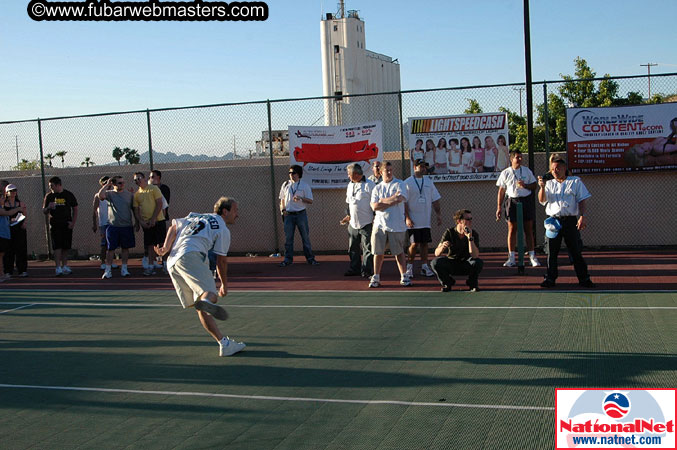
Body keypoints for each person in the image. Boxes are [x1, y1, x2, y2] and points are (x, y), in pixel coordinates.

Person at [154, 197, 245, 357]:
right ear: (225, 211)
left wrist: (165, 248)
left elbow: (174, 227)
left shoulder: (196, 216)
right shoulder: (223, 229)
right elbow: (221, 261)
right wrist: (224, 284)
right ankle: (206, 302)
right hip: (191, 256)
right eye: (235, 211)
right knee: (210, 297)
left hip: (173, 262)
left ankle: (224, 344)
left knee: (201, 305)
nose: (237, 215)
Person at [538, 155, 595, 289]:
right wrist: (541, 187)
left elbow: (582, 200)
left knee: (575, 251)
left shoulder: (575, 182)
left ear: (564, 168)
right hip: (553, 221)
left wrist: (582, 216)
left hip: (570, 221)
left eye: (557, 168)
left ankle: (584, 279)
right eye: (553, 170)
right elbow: (542, 201)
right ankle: (550, 278)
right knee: (551, 252)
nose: (555, 171)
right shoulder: (549, 184)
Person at [495, 150, 541, 267]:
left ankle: (532, 256)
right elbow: (501, 191)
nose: (519, 159)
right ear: (511, 159)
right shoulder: (505, 173)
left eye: (521, 157)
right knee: (512, 229)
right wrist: (499, 207)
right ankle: (511, 258)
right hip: (512, 202)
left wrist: (525, 185)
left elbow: (534, 185)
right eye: (517, 157)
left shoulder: (526, 171)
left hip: (526, 201)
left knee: (528, 229)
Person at [369, 161, 410, 288]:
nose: (389, 172)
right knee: (378, 253)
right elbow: (374, 206)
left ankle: (404, 276)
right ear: (381, 172)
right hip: (380, 226)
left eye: (391, 170)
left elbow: (400, 198)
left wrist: (383, 201)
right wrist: (390, 200)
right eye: (386, 170)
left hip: (396, 225)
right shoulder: (377, 188)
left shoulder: (400, 184)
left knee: (399, 252)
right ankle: (376, 278)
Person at [404, 159, 442, 278]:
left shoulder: (429, 182)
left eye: (425, 167)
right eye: (421, 166)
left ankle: (424, 266)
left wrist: (438, 214)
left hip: (425, 220)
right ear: (414, 167)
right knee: (414, 243)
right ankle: (409, 267)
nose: (423, 169)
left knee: (425, 243)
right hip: (413, 221)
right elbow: (404, 202)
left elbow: (435, 199)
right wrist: (407, 218)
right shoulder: (407, 182)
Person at [430, 209, 483, 292]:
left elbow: (475, 255)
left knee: (478, 262)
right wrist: (443, 247)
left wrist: (470, 238)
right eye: (468, 219)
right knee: (435, 262)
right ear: (459, 221)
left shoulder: (474, 234)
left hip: (466, 263)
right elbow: (436, 253)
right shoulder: (449, 232)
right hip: (452, 263)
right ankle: (448, 283)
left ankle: (472, 284)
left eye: (471, 219)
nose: (470, 221)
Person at [278, 165, 319, 267]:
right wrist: (283, 210)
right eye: (290, 173)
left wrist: (301, 198)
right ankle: (288, 259)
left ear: (299, 174)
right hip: (289, 215)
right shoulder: (285, 184)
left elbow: (310, 200)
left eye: (293, 173)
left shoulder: (304, 185)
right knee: (288, 239)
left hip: (300, 214)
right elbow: (282, 199)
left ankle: (310, 259)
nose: (291, 175)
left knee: (305, 237)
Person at [339, 163, 375, 277]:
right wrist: (348, 216)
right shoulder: (350, 185)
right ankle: (355, 268)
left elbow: (375, 203)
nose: (348, 176)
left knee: (367, 248)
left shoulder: (370, 185)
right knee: (353, 248)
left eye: (349, 174)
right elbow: (349, 203)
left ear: (355, 174)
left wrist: (375, 219)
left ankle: (367, 270)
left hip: (367, 222)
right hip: (353, 224)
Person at [98, 176, 135, 279]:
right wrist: (107, 185)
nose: (122, 184)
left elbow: (134, 209)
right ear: (114, 184)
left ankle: (124, 269)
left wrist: (137, 221)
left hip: (126, 225)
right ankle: (108, 270)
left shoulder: (129, 195)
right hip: (113, 226)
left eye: (123, 182)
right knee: (110, 249)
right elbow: (100, 196)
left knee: (125, 248)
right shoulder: (110, 194)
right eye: (119, 183)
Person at [42, 176, 78, 276]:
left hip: (66, 224)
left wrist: (73, 222)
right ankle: (58, 267)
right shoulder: (49, 196)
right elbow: (44, 210)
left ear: (58, 185)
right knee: (57, 246)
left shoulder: (68, 194)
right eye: (50, 186)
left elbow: (75, 208)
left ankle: (65, 265)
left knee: (65, 246)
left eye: (52, 186)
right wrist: (48, 207)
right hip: (55, 225)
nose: (50, 188)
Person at [133, 172, 164, 276]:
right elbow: (136, 210)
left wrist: (154, 219)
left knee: (162, 243)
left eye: (139, 178)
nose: (137, 181)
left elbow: (159, 204)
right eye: (135, 180)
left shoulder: (154, 189)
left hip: (158, 221)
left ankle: (166, 264)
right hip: (147, 224)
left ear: (144, 178)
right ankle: (151, 266)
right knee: (150, 245)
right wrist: (141, 222)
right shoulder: (137, 194)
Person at [3, 184, 28, 277]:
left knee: (21, 249)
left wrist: (25, 223)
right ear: (7, 192)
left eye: (15, 190)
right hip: (7, 229)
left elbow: (25, 214)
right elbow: (5, 213)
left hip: (19, 229)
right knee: (8, 250)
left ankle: (22, 270)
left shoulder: (20, 203)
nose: (13, 192)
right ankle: (8, 270)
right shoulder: (3, 204)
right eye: (11, 191)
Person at [150, 169, 171, 272]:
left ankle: (165, 263)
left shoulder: (164, 188)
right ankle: (153, 262)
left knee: (163, 241)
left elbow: (164, 204)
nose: (151, 179)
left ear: (158, 177)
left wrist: (163, 215)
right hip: (151, 219)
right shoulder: (149, 190)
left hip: (162, 218)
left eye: (153, 177)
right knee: (153, 242)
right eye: (150, 177)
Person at [0, 190, 22, 282]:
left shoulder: (2, 208)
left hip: (5, 234)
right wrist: (18, 208)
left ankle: (2, 273)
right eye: (1, 198)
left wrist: (12, 221)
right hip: (0, 235)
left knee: (2, 255)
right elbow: (7, 213)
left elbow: (5, 219)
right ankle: (1, 274)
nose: (3, 199)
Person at [92, 176, 114, 270]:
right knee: (104, 244)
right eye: (105, 183)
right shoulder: (98, 195)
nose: (107, 185)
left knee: (112, 244)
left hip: (113, 222)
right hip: (103, 223)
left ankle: (111, 262)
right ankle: (103, 262)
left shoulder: (113, 194)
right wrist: (94, 224)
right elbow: (94, 211)